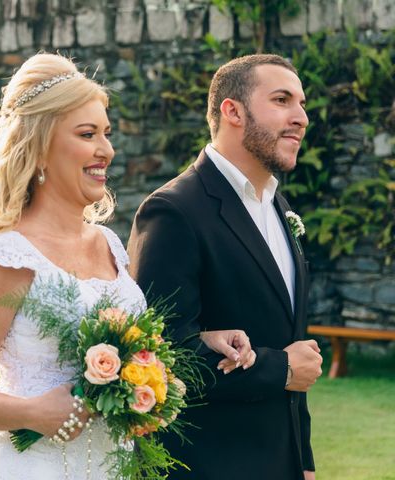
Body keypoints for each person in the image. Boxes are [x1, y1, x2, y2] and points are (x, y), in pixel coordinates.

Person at [0, 53, 257, 480]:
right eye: (87, 134)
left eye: (106, 133)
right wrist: (32, 412)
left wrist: (201, 341)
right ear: (40, 147)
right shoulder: (10, 256)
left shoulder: (109, 244)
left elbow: (125, 354)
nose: (107, 149)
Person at [127, 54, 324, 479]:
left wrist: (303, 460)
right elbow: (159, 358)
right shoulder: (172, 211)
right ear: (232, 111)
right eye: (282, 100)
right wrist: (281, 369)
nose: (301, 117)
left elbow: (289, 340)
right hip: (208, 463)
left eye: (302, 103)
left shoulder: (278, 207)